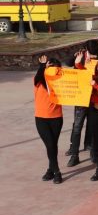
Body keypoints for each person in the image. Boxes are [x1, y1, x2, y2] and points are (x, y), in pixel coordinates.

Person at [33, 55, 64, 184]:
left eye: (54, 67)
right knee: (50, 144)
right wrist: (42, 66)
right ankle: (57, 172)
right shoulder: (39, 81)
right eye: (49, 67)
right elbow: (38, 76)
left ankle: (50, 170)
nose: (52, 69)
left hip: (56, 117)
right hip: (41, 118)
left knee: (53, 145)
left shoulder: (60, 82)